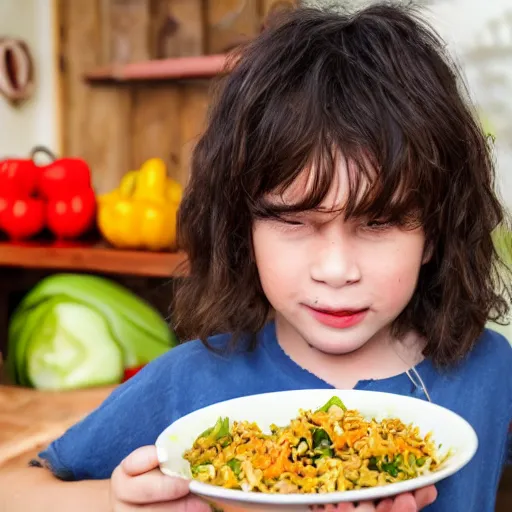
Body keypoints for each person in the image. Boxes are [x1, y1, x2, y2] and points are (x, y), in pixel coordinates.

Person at [3, 2, 511, 512]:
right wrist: (115, 505)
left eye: (378, 222)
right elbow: (16, 491)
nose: (335, 271)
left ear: (436, 229)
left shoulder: (491, 371)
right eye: (293, 221)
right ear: (242, 227)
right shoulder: (188, 382)